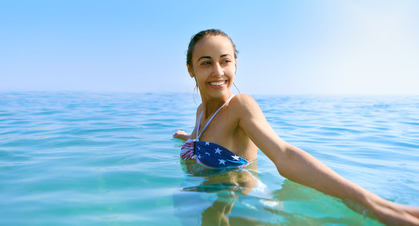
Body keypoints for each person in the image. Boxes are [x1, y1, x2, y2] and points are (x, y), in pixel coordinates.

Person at [173, 29, 419, 226]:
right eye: (206, 63)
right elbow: (201, 141)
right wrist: (186, 137)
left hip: (248, 209)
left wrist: (373, 206)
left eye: (225, 61)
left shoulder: (239, 106)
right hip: (210, 206)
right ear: (190, 69)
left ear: (235, 64)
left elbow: (284, 155)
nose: (218, 71)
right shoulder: (201, 115)